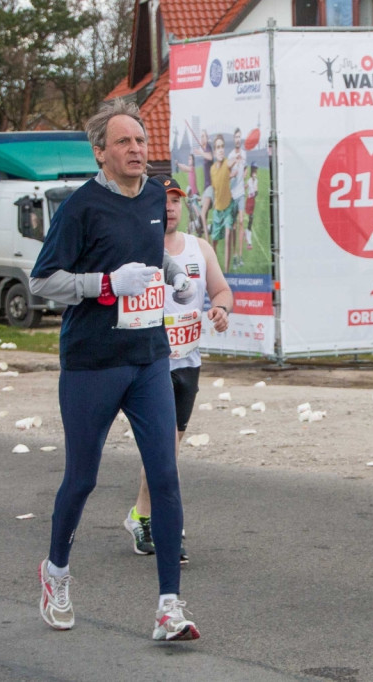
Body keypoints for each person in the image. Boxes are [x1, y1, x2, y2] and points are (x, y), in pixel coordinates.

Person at [28, 100, 200, 641]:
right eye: (124, 143)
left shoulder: (154, 194)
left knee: (166, 476)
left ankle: (169, 608)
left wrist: (173, 274)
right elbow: (42, 281)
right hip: (92, 362)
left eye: (141, 141)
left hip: (149, 357)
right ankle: (56, 572)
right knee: (83, 478)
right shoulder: (81, 208)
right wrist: (104, 285)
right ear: (100, 152)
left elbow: (149, 251)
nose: (136, 151)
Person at [124, 175, 234, 564]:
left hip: (188, 363)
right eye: (163, 201)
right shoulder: (139, 247)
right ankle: (169, 528)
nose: (169, 207)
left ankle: (141, 515)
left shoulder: (200, 248)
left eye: (176, 201)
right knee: (165, 453)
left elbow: (222, 289)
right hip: (150, 364)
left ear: (183, 206)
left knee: (167, 450)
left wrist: (221, 308)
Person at [208, 135, 237, 271]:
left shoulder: (228, 163)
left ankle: (226, 271)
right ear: (214, 151)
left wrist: (237, 159)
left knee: (227, 238)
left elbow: (231, 163)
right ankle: (215, 272)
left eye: (222, 147)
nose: (221, 150)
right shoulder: (212, 169)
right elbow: (215, 187)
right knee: (214, 241)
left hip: (228, 208)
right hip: (217, 209)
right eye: (218, 147)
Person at [227, 128, 247, 269]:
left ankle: (240, 256)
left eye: (239, 137)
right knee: (233, 226)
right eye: (236, 137)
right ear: (234, 140)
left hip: (241, 194)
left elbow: (244, 169)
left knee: (241, 222)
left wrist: (243, 177)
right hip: (232, 195)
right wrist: (233, 174)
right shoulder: (231, 155)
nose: (238, 139)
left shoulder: (244, 154)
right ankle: (234, 256)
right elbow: (226, 175)